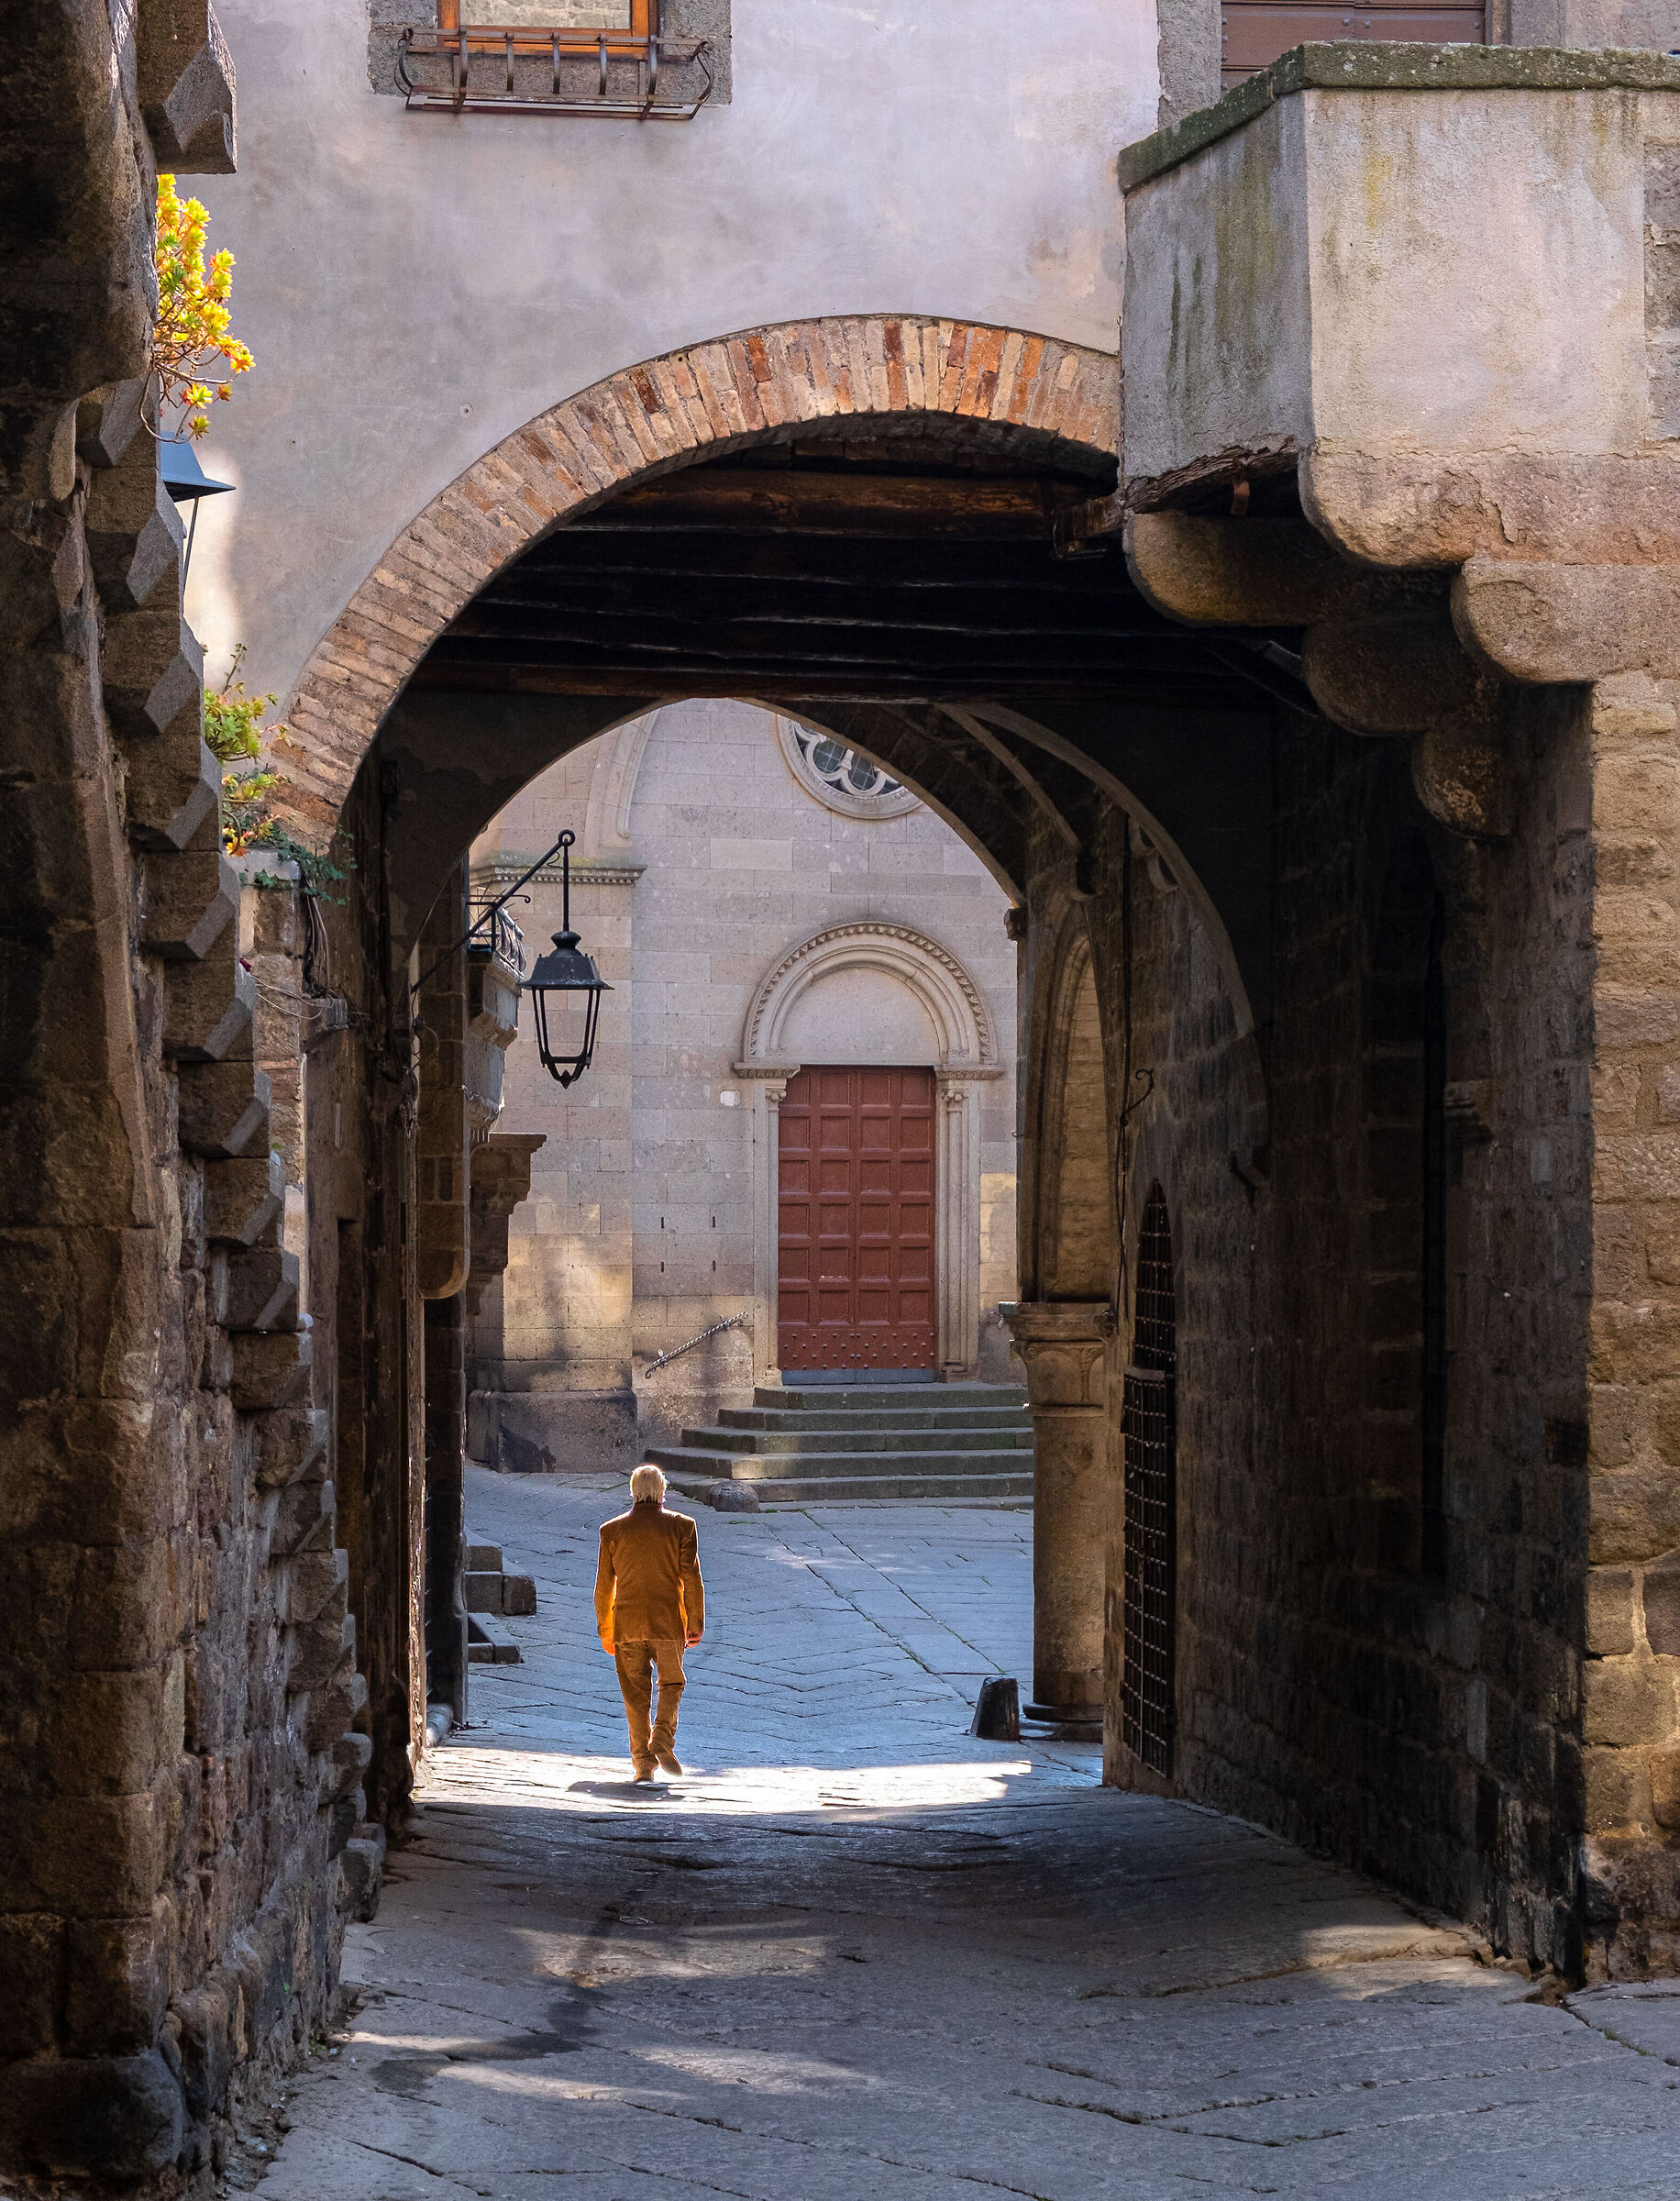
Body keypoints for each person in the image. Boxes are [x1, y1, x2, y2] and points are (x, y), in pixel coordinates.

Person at [594, 1463, 704, 1781]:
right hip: (668, 1622)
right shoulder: (683, 1526)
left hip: (626, 1626)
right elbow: (692, 1579)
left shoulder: (611, 1530)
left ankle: (643, 1764)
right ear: (662, 1491)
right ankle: (662, 1739)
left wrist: (606, 1629)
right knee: (673, 1683)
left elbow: (603, 1587)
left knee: (635, 1695)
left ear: (632, 1491)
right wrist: (695, 1622)